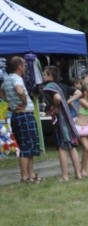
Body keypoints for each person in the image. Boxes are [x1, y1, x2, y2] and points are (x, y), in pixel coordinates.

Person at [1, 55, 41, 183]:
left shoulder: (6, 79)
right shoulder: (17, 79)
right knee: (26, 147)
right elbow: (19, 90)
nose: (25, 67)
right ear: (19, 66)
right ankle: (25, 176)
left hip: (16, 115)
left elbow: (1, 92)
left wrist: (10, 103)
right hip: (24, 115)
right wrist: (23, 101)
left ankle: (31, 174)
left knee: (28, 146)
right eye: (23, 64)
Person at [41, 65, 83, 182]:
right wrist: (68, 101)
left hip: (59, 120)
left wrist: (55, 106)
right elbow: (79, 93)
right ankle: (78, 174)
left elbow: (58, 98)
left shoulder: (50, 87)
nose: (43, 76)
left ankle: (65, 176)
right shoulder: (63, 86)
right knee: (71, 146)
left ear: (50, 75)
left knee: (62, 147)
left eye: (44, 74)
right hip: (68, 119)